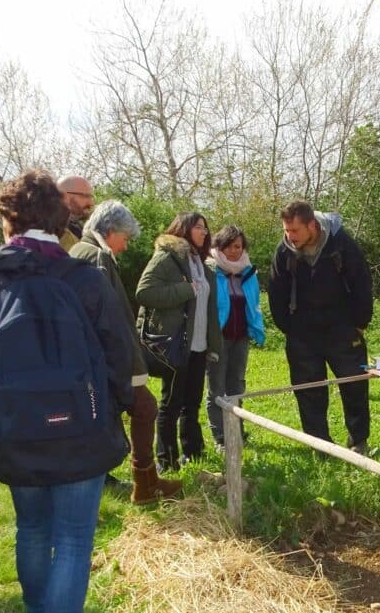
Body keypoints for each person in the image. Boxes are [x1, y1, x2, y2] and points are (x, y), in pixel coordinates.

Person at [0, 171, 130, 613]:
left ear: (8, 220)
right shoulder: (84, 278)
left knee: (32, 526)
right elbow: (119, 353)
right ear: (61, 221)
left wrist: (1, 406)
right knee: (74, 540)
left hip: (18, 430)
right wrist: (112, 405)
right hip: (82, 428)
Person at [70, 199, 183, 503]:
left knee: (139, 409)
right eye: (126, 237)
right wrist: (128, 368)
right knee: (144, 407)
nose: (127, 246)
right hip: (105, 360)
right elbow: (110, 319)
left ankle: (142, 482)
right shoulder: (96, 258)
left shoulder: (82, 252)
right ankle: (143, 484)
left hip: (94, 359)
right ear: (109, 231)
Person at [267, 200, 373, 454]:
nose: (290, 237)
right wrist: (290, 329)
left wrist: (359, 323)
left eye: (295, 231)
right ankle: (320, 445)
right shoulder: (283, 252)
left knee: (355, 385)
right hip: (303, 332)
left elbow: (362, 281)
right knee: (309, 390)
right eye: (286, 231)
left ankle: (359, 441)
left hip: (342, 328)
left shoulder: (341, 243)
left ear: (312, 225)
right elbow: (275, 293)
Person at [135, 212, 221, 470]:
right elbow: (144, 292)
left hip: (198, 346)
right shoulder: (166, 258)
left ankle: (193, 454)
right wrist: (186, 289)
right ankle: (167, 461)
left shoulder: (201, 264)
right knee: (170, 404)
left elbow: (210, 309)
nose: (204, 232)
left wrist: (214, 345)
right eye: (198, 227)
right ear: (183, 229)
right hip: (174, 344)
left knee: (191, 403)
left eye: (206, 228)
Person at [205, 225, 266, 450]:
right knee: (217, 388)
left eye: (238, 246)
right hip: (217, 338)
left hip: (240, 337)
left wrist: (257, 329)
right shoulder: (209, 271)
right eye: (229, 246)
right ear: (219, 246)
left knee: (237, 386)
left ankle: (236, 431)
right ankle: (221, 438)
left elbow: (254, 304)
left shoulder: (248, 272)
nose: (234, 251)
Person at [56, 175, 94, 251]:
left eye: (91, 197)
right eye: (85, 196)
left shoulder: (78, 229)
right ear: (65, 196)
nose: (91, 203)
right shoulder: (50, 232)